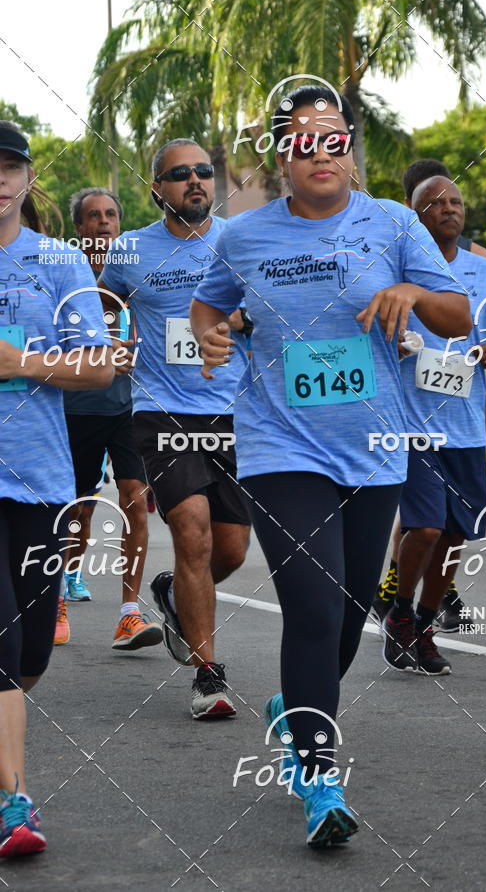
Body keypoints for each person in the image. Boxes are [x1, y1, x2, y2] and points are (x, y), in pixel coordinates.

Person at [190, 86, 471, 846]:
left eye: (334, 138)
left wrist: (410, 290)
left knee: (345, 622)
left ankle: (295, 707)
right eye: (303, 140)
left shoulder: (392, 221)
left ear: (350, 148)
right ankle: (318, 776)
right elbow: (210, 308)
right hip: (282, 447)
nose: (321, 152)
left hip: (375, 449)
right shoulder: (244, 237)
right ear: (282, 155)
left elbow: (459, 314)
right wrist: (214, 337)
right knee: (312, 610)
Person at [99, 139, 251, 718]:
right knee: (192, 530)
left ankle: (170, 594)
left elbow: (270, 305)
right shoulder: (131, 250)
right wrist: (105, 336)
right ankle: (207, 676)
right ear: (156, 188)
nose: (195, 181)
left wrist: (240, 319)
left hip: (235, 412)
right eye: (180, 174)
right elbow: (103, 304)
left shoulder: (240, 241)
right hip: (163, 409)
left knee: (231, 549)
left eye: (203, 172)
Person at [0, 122, 113, 856]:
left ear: (29, 178)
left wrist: (19, 362)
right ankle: (15, 804)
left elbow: (100, 368)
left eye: (11, 167)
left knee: (31, 654)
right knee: (3, 640)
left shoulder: (60, 263)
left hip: (39, 479)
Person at [375, 175, 486, 675]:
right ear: (414, 215)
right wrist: (391, 344)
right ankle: (397, 611)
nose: (448, 208)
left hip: (465, 426)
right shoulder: (396, 271)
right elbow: (368, 328)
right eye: (434, 203)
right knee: (425, 525)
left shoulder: (484, 272)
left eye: (456, 201)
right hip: (412, 424)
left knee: (456, 534)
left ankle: (422, 623)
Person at [55, 187, 159, 652]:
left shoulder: (135, 272)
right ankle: (57, 594)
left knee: (135, 500)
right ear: (79, 227)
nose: (103, 223)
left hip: (127, 408)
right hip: (77, 410)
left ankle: (128, 615)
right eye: (93, 216)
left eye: (111, 215)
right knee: (79, 511)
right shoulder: (63, 275)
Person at [402, 159, 486, 260]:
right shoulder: (395, 254)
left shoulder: (478, 256)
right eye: (434, 202)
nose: (448, 209)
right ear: (410, 204)